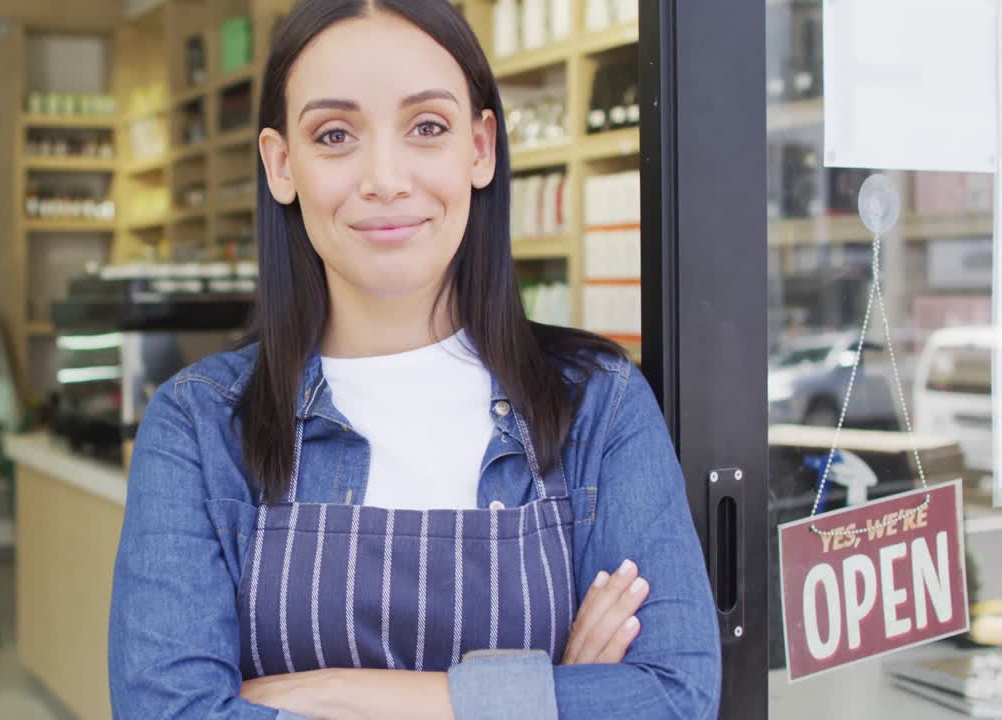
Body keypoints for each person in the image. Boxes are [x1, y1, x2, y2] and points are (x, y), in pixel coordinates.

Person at [108, 1, 721, 717]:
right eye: (335, 135)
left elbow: (673, 699)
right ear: (281, 165)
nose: (386, 179)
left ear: (481, 147)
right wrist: (544, 696)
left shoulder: (599, 405)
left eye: (427, 127)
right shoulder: (201, 424)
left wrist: (338, 692)